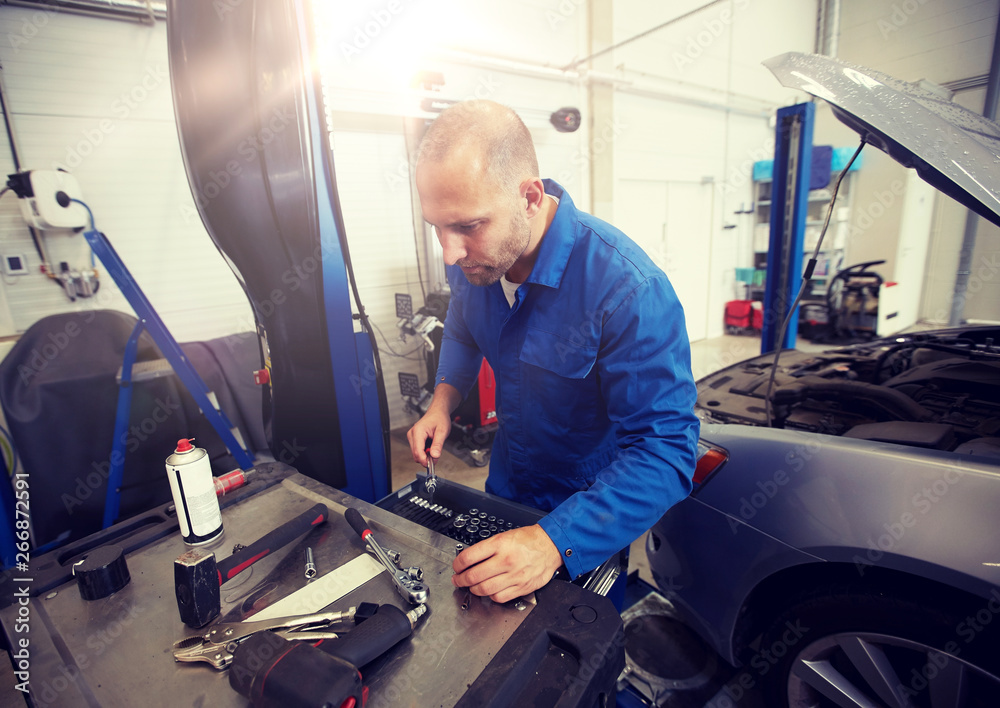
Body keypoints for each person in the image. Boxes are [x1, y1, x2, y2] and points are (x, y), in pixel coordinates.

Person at [407, 100, 699, 604]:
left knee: (576, 645)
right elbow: (462, 331)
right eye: (436, 226)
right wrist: (442, 401)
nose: (449, 253)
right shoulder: (474, 265)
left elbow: (666, 450)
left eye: (468, 226)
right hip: (506, 490)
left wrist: (551, 543)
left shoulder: (627, 290)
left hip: (586, 519)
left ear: (529, 198)